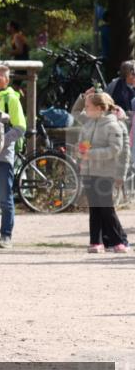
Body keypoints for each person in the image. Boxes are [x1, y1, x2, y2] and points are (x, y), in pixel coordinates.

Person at [73, 91, 129, 252]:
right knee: (94, 208)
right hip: (88, 172)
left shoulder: (113, 125)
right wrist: (80, 151)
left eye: (88, 107)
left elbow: (115, 149)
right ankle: (95, 242)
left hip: (106, 173)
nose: (86, 110)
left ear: (99, 108)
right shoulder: (88, 124)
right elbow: (82, 144)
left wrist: (90, 154)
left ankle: (118, 241)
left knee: (106, 208)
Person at [0, 65, 26, 248]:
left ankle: (6, 235)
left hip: (3, 157)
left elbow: (20, 128)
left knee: (5, 196)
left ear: (6, 80)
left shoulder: (11, 99)